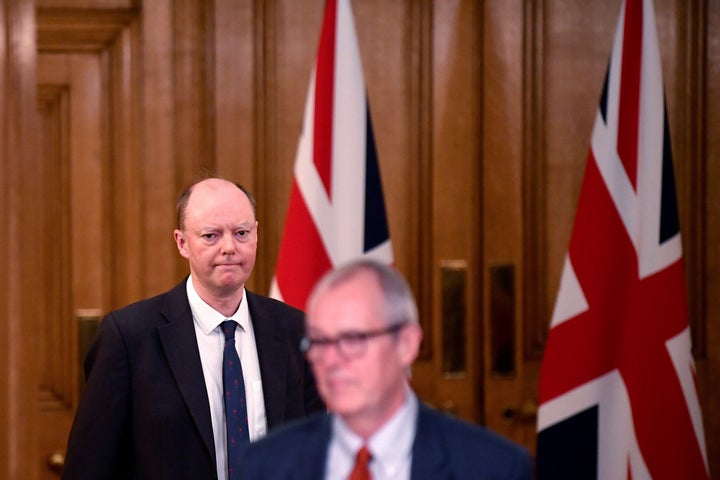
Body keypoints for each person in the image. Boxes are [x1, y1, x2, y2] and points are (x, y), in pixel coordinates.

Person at [62, 177, 325, 480]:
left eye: (241, 233)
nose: (229, 247)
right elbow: (88, 468)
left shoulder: (295, 330)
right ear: (182, 242)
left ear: (256, 235)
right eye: (211, 236)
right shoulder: (129, 338)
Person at [239, 259, 533, 480]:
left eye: (353, 339)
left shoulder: (494, 468)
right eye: (319, 341)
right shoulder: (265, 464)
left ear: (406, 344)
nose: (331, 360)